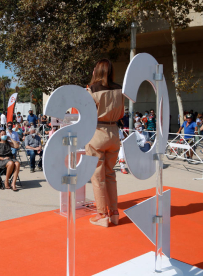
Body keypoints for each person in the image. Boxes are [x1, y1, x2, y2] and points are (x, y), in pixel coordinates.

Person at [85, 58, 124, 228]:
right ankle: (114, 213)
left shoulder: (91, 90)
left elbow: (86, 113)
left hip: (96, 132)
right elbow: (122, 112)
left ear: (97, 71)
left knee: (98, 177)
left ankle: (102, 215)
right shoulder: (120, 89)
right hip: (114, 133)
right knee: (110, 174)